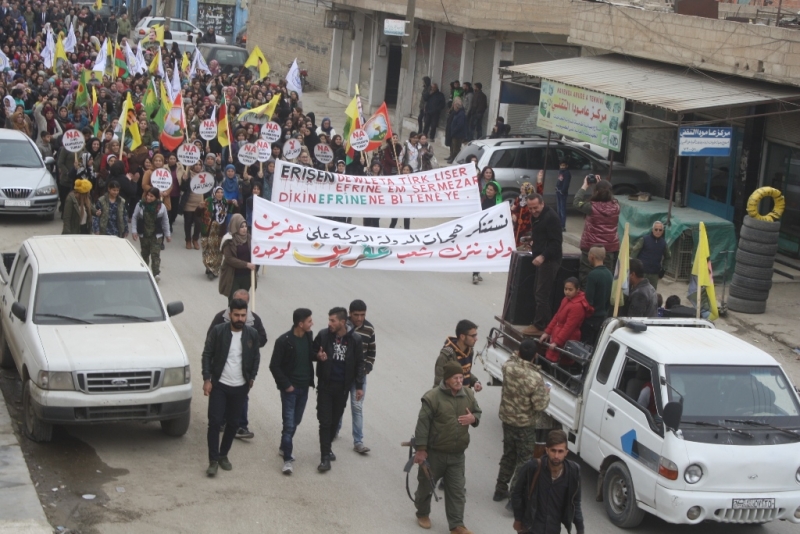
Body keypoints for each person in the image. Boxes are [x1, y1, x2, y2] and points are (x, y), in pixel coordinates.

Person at [413, 361, 482, 534]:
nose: (459, 381)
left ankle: (457, 525)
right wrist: (421, 450)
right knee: (426, 487)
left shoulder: (468, 394)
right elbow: (422, 424)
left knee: (457, 490)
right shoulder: (432, 397)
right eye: (455, 378)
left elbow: (477, 412)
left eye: (461, 377)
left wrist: (473, 418)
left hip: (457, 455)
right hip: (434, 454)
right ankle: (422, 513)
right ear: (447, 379)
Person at [202, 298, 261, 477]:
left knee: (234, 423)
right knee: (214, 422)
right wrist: (207, 379)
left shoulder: (251, 334)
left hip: (240, 386)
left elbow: (256, 357)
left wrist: (251, 378)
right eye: (237, 315)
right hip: (220, 384)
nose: (240, 318)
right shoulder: (219, 331)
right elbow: (207, 354)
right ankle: (212, 460)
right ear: (230, 314)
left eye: (243, 315)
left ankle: (223, 455)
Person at [494, 339, 550, 503]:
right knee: (524, 461)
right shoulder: (535, 378)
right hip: (525, 425)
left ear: (518, 352)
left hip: (507, 420)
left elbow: (513, 358)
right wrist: (546, 392)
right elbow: (540, 405)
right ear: (536, 355)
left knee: (508, 455)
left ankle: (500, 489)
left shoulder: (508, 367)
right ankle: (515, 498)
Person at [207, 289, 268, 440]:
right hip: (222, 371)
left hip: (242, 372)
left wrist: (249, 344)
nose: (240, 316)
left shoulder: (254, 320)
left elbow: (262, 339)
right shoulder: (220, 319)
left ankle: (241, 426)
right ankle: (220, 421)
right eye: (238, 301)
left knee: (242, 398)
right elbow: (210, 341)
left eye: (245, 303)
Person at [313, 307, 365, 472]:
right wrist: (317, 356)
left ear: (342, 322)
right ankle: (325, 458)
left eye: (332, 320)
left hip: (342, 388)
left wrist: (358, 386)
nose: (329, 323)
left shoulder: (355, 340)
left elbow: (359, 364)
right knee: (325, 421)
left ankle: (327, 447)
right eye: (329, 320)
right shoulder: (323, 335)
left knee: (334, 421)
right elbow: (312, 351)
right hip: (325, 386)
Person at [511, 429, 585, 534]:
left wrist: (580, 529)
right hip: (531, 528)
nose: (556, 456)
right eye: (553, 450)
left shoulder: (573, 472)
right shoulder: (533, 467)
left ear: (566, 452)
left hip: (553, 529)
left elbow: (575, 502)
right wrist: (518, 519)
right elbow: (516, 493)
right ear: (547, 450)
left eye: (560, 451)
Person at [270, 308, 316, 475]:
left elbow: (310, 355)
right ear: (300, 324)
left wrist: (319, 356)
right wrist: (286, 385)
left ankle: (283, 447)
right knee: (289, 425)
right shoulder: (284, 341)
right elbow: (274, 366)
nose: (312, 324)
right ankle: (287, 460)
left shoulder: (309, 337)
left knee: (296, 420)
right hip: (290, 390)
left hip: (304, 388)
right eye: (310, 321)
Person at [335, 299, 376, 455]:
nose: (360, 318)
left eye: (363, 315)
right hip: (341, 374)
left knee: (357, 407)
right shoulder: (342, 327)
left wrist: (368, 367)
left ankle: (358, 441)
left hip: (359, 376)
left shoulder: (369, 329)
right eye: (356, 315)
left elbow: (372, 352)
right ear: (350, 314)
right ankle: (334, 430)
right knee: (339, 404)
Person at [521, 194, 563, 337]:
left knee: (541, 294)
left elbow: (556, 243)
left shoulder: (551, 218)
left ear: (542, 204)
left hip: (550, 261)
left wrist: (543, 256)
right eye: (530, 208)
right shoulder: (536, 216)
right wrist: (532, 241)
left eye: (536, 208)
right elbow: (542, 236)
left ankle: (541, 325)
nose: (533, 211)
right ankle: (546, 323)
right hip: (541, 258)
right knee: (538, 292)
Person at [573, 176, 620, 288]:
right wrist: (603, 187)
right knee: (607, 281)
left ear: (596, 192)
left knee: (587, 279)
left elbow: (577, 202)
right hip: (608, 250)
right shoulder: (616, 207)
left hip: (590, 248)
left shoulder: (591, 207)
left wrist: (585, 185)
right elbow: (610, 197)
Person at [540, 278, 594, 364]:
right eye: (565, 289)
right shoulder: (566, 300)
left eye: (570, 290)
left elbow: (569, 327)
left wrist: (557, 342)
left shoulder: (577, 306)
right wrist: (547, 332)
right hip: (559, 334)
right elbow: (557, 316)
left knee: (561, 363)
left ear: (578, 290)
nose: (567, 292)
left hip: (567, 337)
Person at [131, 187, 171, 282]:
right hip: (144, 234)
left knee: (155, 254)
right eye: (148, 195)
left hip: (156, 235)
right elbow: (134, 217)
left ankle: (156, 273)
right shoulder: (140, 205)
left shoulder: (161, 207)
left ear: (156, 197)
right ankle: (145, 272)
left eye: (151, 196)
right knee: (144, 254)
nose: (148, 198)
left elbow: (165, 221)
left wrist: (167, 234)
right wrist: (134, 231)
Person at [434, 320, 483, 392]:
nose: (476, 339)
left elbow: (464, 372)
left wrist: (475, 382)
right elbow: (438, 384)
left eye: (476, 335)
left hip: (464, 398)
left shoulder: (469, 351)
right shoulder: (446, 355)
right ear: (462, 336)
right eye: (473, 336)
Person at [200, 187, 236, 280]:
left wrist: (236, 204)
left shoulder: (225, 202)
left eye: (221, 192)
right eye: (218, 192)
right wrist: (200, 208)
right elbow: (198, 214)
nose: (220, 194)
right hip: (209, 229)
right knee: (207, 248)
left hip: (220, 230)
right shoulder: (207, 201)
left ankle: (214, 270)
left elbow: (234, 211)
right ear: (214, 193)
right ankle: (209, 266)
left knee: (217, 250)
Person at [219, 214, 256, 301]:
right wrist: (246, 264)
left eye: (245, 226)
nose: (244, 229)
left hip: (246, 277)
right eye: (241, 227)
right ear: (235, 227)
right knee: (233, 302)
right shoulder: (229, 240)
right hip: (233, 277)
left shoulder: (250, 238)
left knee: (243, 302)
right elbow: (229, 259)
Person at [581, 246, 613, 344]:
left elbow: (589, 299)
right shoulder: (609, 274)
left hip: (591, 319)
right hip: (603, 317)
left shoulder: (593, 275)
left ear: (592, 256)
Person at [473, 180, 502, 284]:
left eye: (491, 190)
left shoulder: (498, 203)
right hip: (478, 229)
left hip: (489, 231)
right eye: (488, 189)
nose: (488, 191)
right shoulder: (481, 199)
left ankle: (478, 271)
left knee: (483, 251)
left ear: (495, 192)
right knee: (477, 250)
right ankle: (475, 273)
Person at [631, 221, 671, 290]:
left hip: (654, 275)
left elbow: (668, 257)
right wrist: (632, 269)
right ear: (652, 230)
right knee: (638, 292)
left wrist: (663, 270)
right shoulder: (644, 240)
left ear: (662, 231)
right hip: (642, 274)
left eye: (660, 230)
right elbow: (634, 253)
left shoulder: (663, 243)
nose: (658, 231)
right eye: (656, 229)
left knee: (651, 295)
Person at [512, 182, 535, 248]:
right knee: (515, 241)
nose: (521, 190)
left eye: (523, 189)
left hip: (527, 226)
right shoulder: (518, 199)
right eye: (521, 189)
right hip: (517, 225)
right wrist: (513, 214)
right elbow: (513, 209)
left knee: (525, 243)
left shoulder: (532, 200)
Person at [447, 98, 468, 163]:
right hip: (455, 134)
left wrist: (454, 131)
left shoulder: (461, 114)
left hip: (458, 135)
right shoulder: (457, 113)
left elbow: (460, 125)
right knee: (453, 147)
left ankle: (455, 160)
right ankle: (452, 158)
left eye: (454, 105)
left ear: (457, 106)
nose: (453, 107)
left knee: (456, 148)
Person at [555, 161, 570, 232]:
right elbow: (559, 181)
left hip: (562, 193)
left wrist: (562, 191)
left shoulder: (567, 173)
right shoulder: (560, 172)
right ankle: (559, 224)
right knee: (559, 209)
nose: (562, 167)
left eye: (563, 165)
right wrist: (556, 187)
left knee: (562, 210)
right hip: (558, 191)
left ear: (566, 166)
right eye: (561, 165)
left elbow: (566, 183)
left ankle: (562, 225)